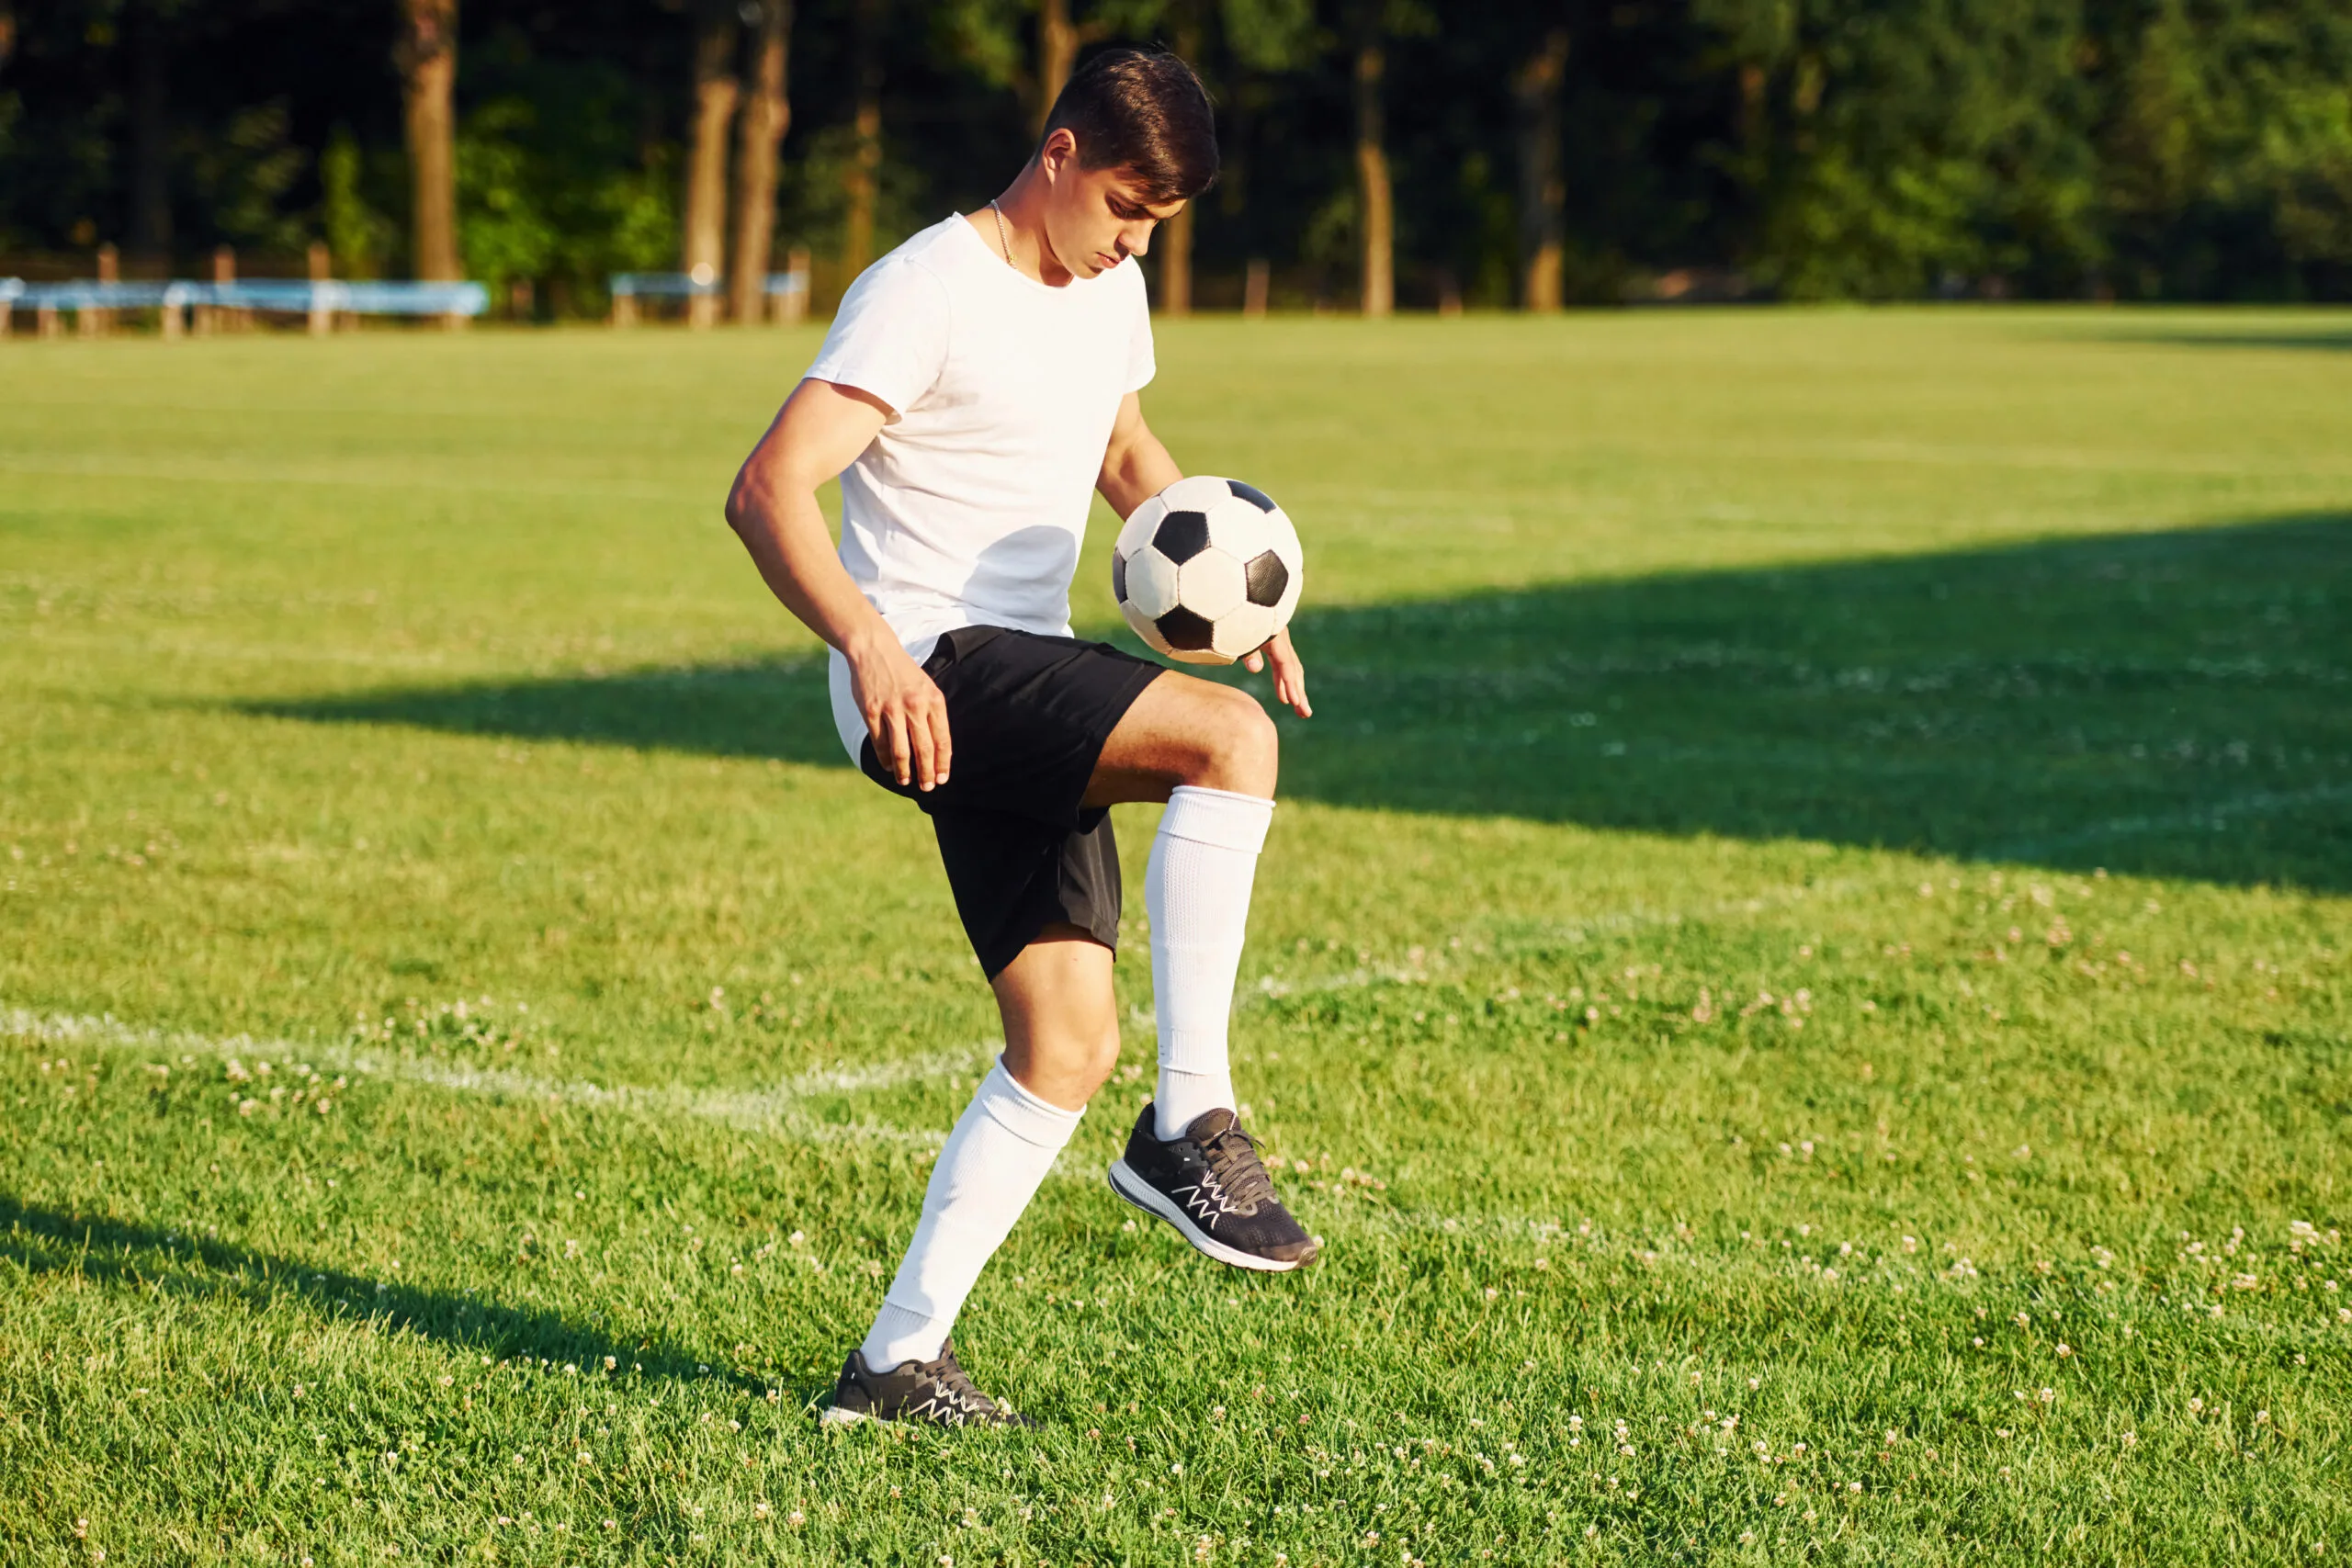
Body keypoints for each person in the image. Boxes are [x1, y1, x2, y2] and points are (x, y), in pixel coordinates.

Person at [723, 47, 1316, 1429]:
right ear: (1057, 155)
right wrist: (867, 643)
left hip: (1018, 673)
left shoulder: (1109, 287)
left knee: (1064, 1041)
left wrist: (1242, 593)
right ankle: (1192, 1127)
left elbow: (1125, 460)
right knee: (1229, 747)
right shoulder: (923, 290)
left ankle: (890, 1364)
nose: (1131, 243)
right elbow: (768, 490)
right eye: (1122, 207)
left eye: (1155, 226)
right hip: (930, 664)